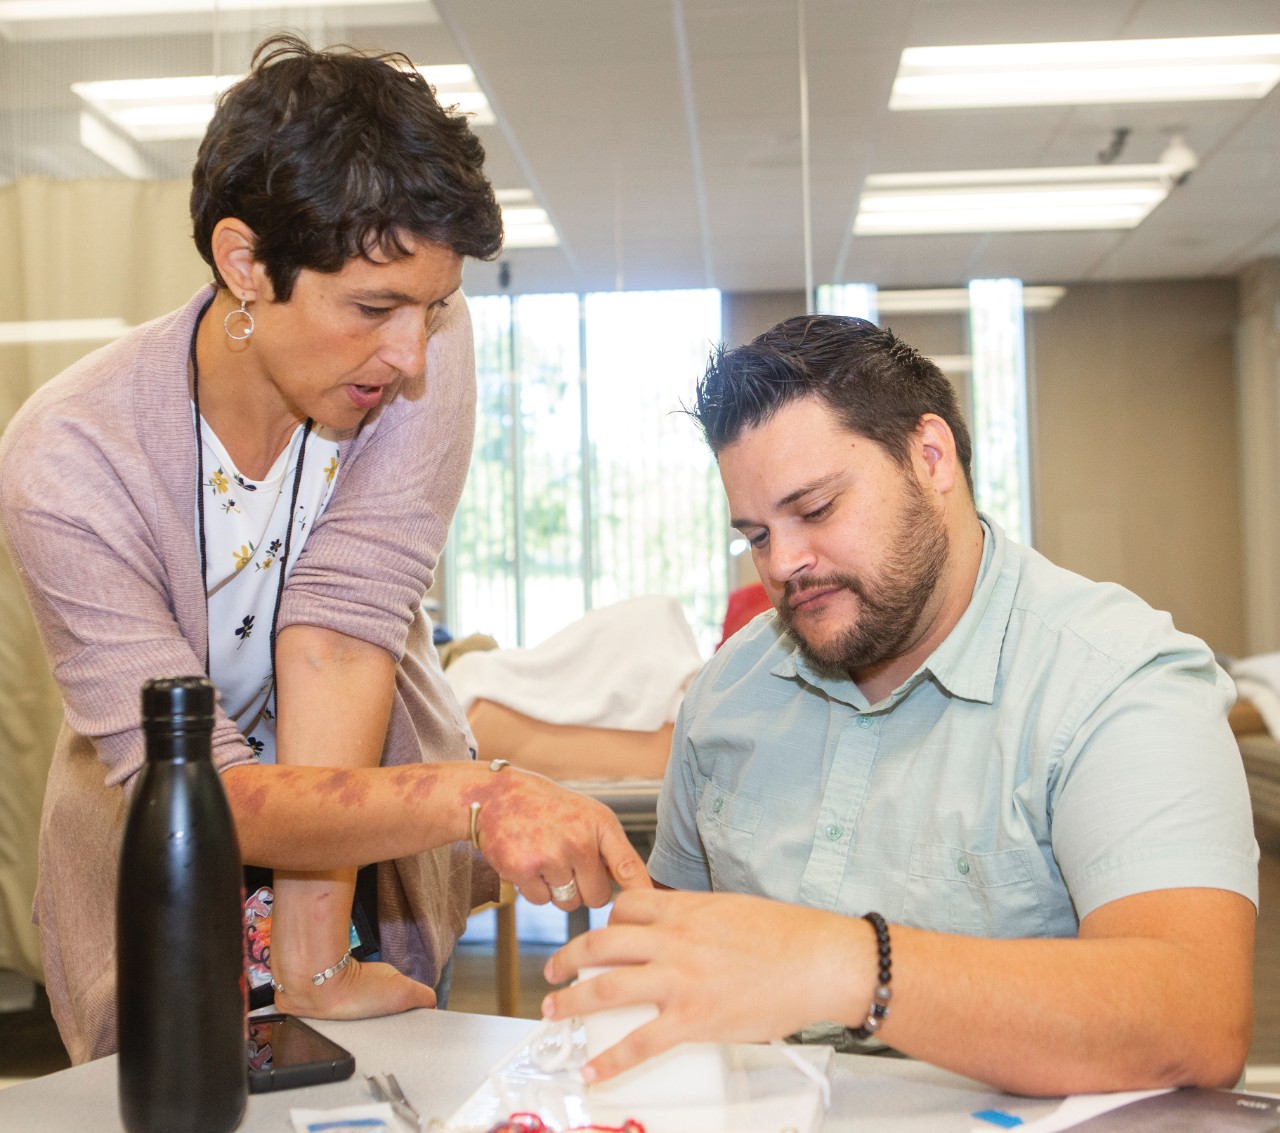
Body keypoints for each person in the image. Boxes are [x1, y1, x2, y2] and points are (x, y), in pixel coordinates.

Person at [0, 34, 648, 1064]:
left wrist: (314, 962)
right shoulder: (69, 454)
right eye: (372, 307)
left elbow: (342, 637)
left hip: (362, 800)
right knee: (177, 1078)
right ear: (245, 263)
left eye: (434, 306)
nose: (408, 353)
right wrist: (476, 793)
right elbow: (191, 781)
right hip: (170, 814)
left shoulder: (423, 348)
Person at [541, 314, 1257, 1096]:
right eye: (755, 534)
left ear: (931, 457)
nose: (784, 564)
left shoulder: (1116, 681)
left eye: (815, 510)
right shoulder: (727, 696)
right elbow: (666, 962)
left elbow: (1194, 1019)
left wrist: (848, 964)